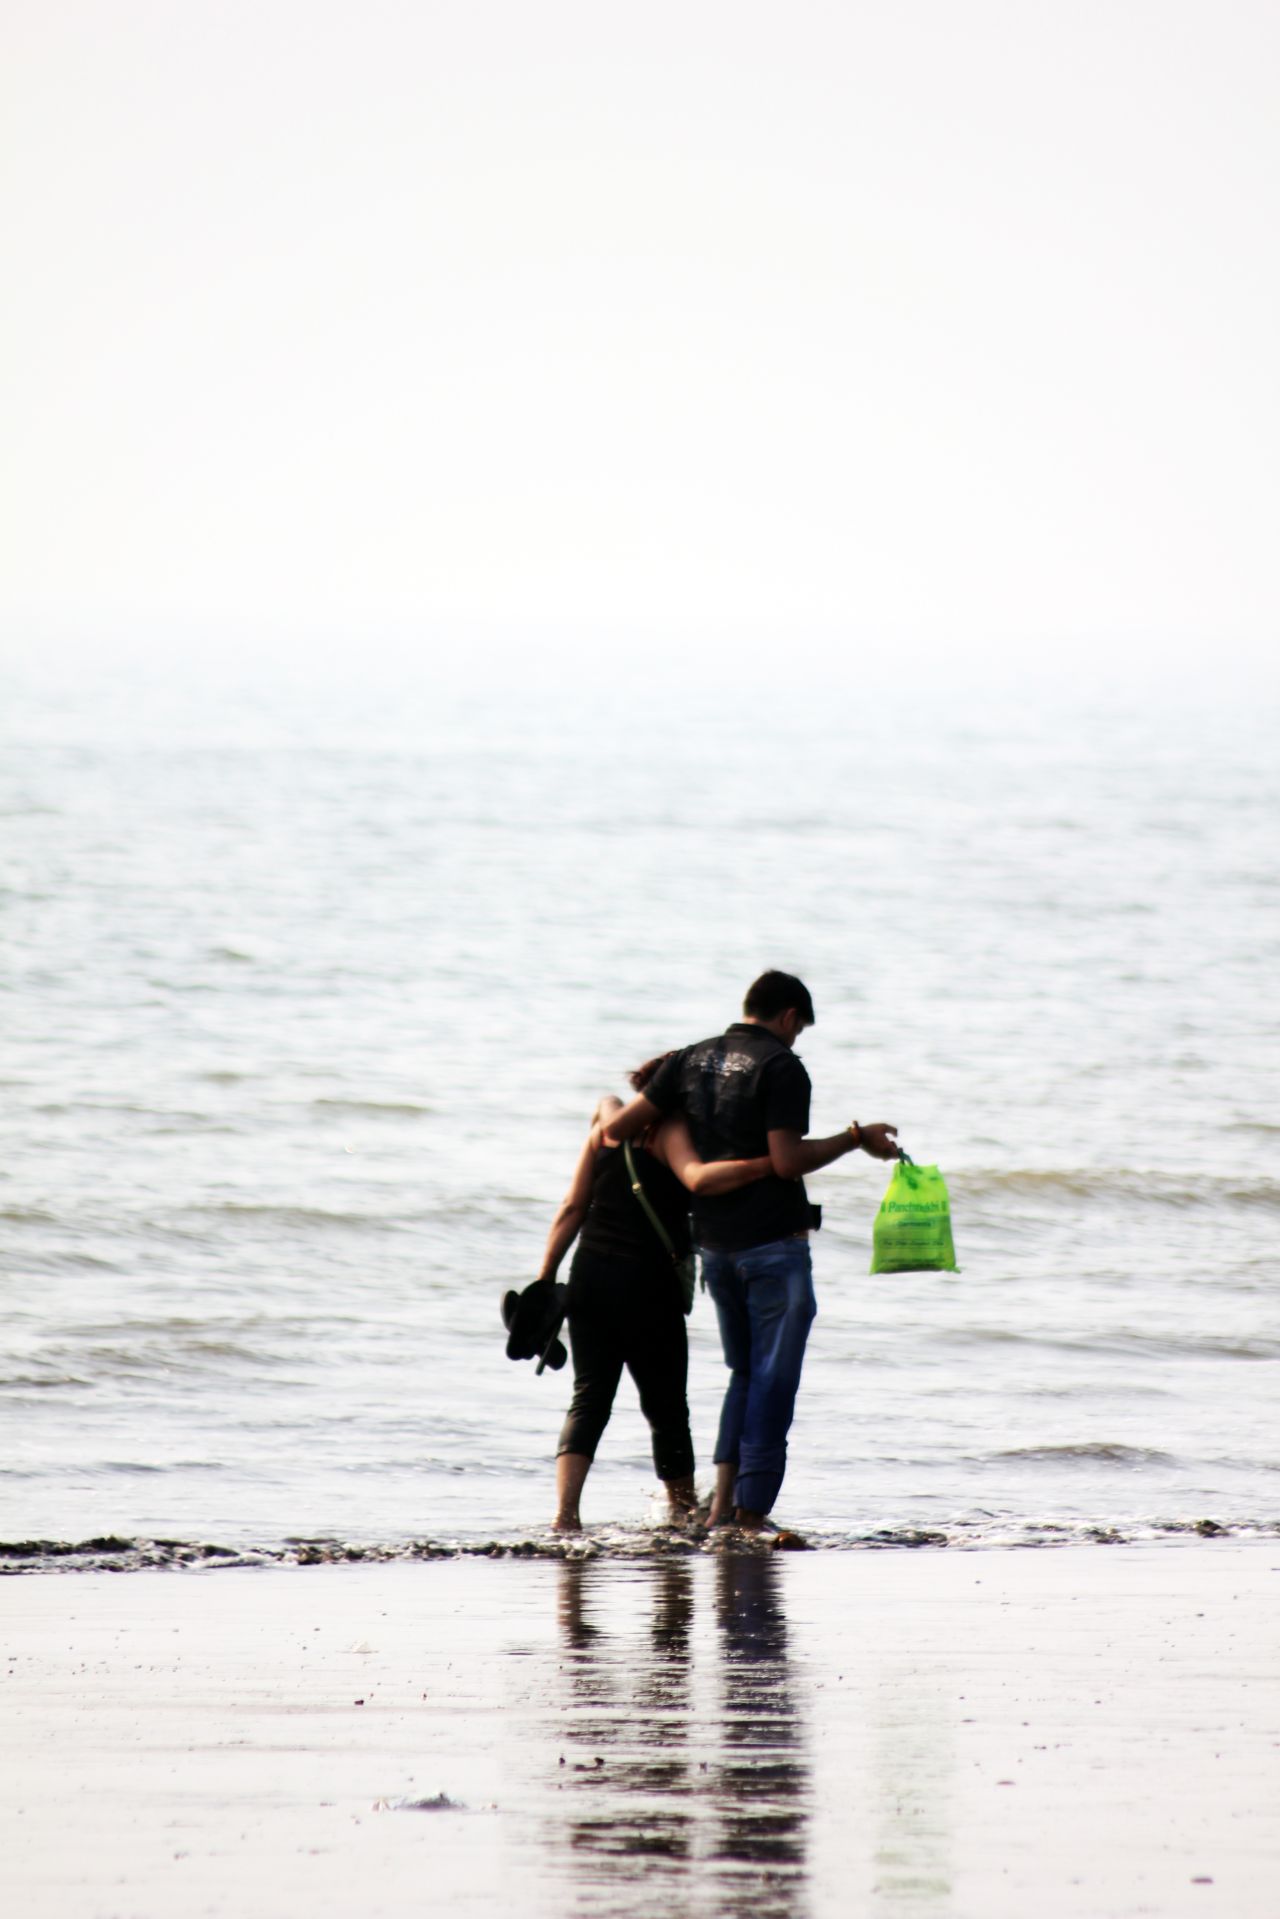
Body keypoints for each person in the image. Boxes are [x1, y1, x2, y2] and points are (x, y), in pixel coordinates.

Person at [604, 971, 900, 1532]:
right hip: (772, 1246)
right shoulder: (781, 1066)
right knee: (773, 1378)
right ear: (789, 1017)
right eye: (798, 1030)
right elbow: (787, 1161)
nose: (795, 1041)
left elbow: (619, 1127)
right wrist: (856, 1138)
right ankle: (750, 1512)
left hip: (714, 1246)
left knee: (744, 1373)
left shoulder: (688, 1060)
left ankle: (720, 1510)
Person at [537, 1055, 773, 1532]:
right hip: (648, 1287)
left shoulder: (605, 1133)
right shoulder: (672, 1135)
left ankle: (565, 1517)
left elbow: (571, 1208)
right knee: (666, 1408)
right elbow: (697, 1180)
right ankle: (684, 1512)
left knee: (588, 1399)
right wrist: (770, 1164)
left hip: (591, 1278)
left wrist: (544, 1281)